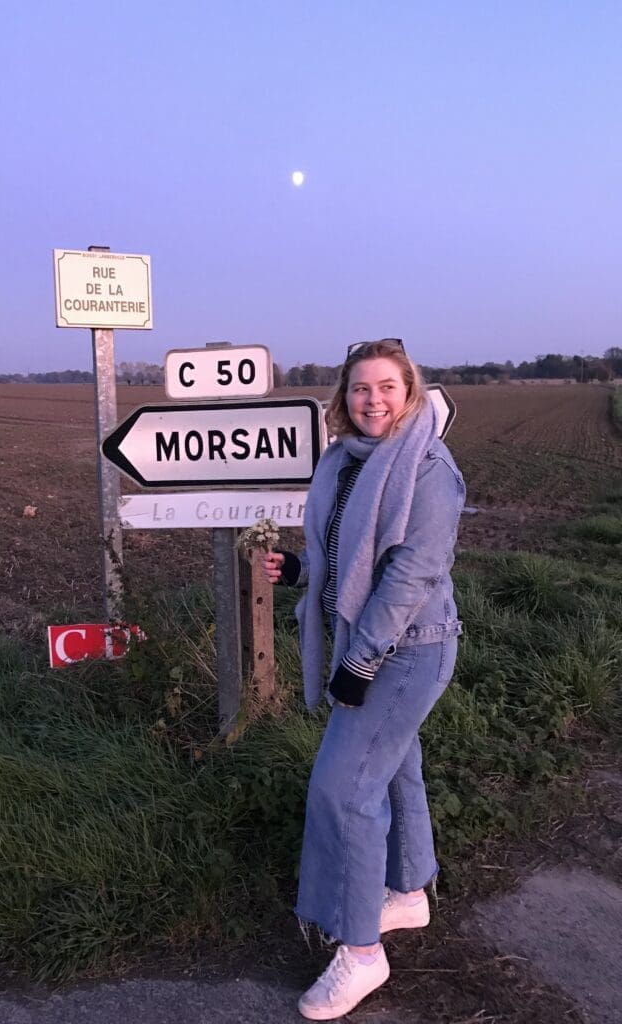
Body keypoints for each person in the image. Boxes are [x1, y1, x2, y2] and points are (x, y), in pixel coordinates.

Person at [261, 339, 465, 1021]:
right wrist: (299, 571)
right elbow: (346, 552)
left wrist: (359, 661)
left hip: (404, 650)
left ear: (409, 390)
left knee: (344, 791)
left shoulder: (429, 468)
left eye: (386, 387)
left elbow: (410, 576)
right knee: (395, 767)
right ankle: (407, 894)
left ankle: (362, 951)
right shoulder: (346, 461)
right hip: (373, 645)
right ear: (343, 398)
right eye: (359, 389)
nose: (372, 400)